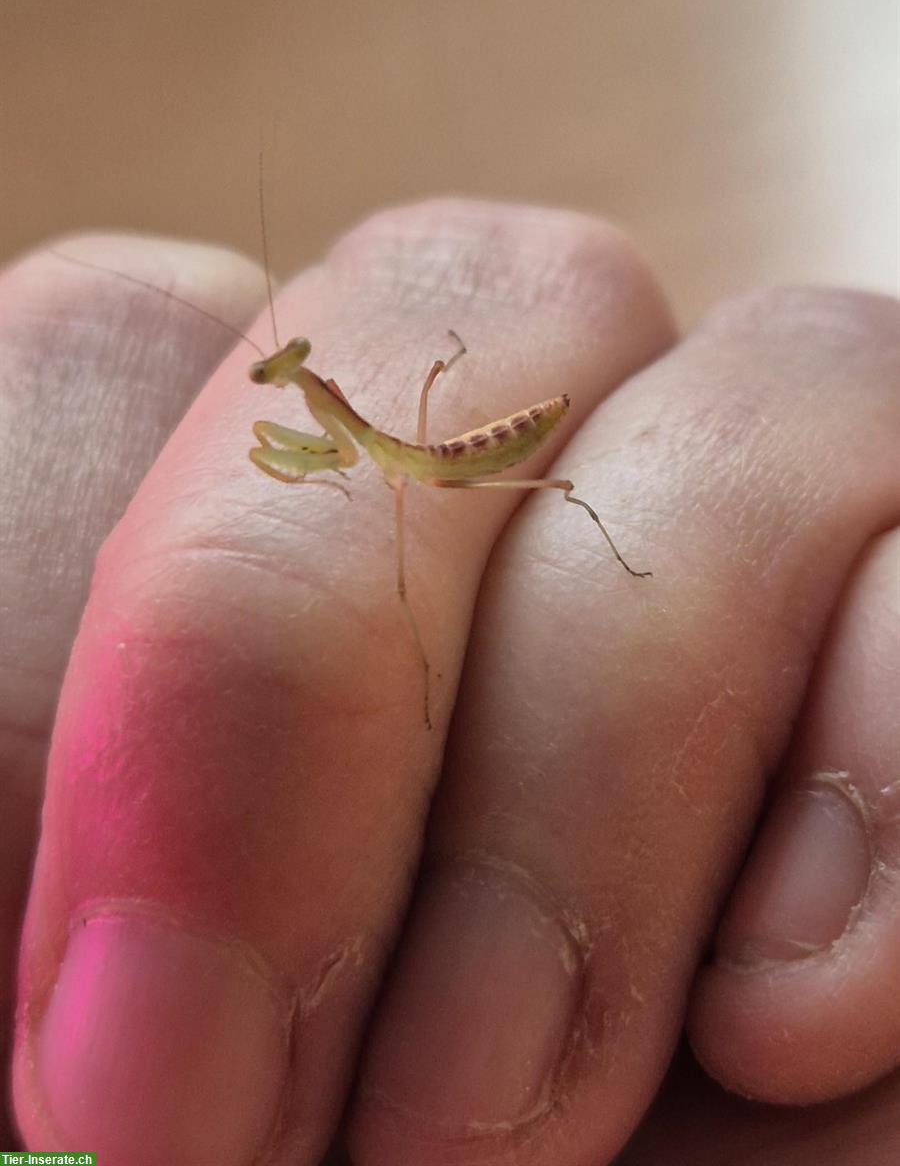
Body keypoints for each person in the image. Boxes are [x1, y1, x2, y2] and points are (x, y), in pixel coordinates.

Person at [2, 200, 898, 1164]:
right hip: (432, 467)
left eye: (275, 373)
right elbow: (305, 466)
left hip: (472, 461)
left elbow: (350, 472)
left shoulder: (358, 430)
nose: (271, 385)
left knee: (513, 510)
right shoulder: (331, 426)